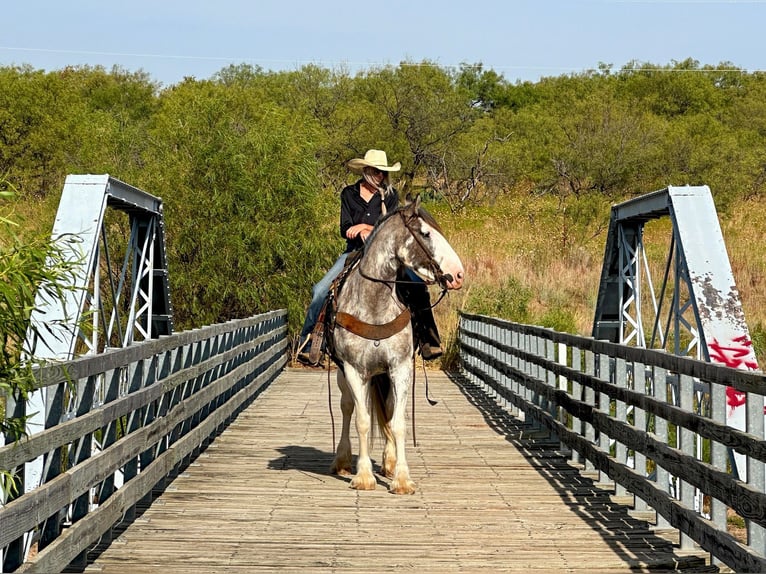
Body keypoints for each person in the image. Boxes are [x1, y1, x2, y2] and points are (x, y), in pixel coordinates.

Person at [297, 149, 443, 365]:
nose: (380, 176)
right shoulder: (349, 194)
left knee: (417, 285)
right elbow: (345, 227)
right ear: (366, 171)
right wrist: (354, 230)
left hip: (385, 256)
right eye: (376, 171)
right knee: (320, 290)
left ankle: (428, 339)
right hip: (354, 252)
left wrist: (366, 227)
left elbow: (391, 228)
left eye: (383, 172)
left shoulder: (391, 196)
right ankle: (310, 343)